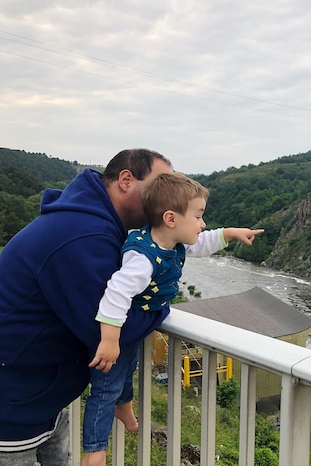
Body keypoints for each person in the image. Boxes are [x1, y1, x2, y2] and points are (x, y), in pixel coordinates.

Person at [0, 148, 175, 466]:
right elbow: (111, 329)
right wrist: (161, 305)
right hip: (12, 409)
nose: (165, 199)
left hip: (40, 398)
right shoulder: (82, 236)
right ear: (125, 180)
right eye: (159, 185)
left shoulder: (90, 221)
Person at [81, 172, 263, 466]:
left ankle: (124, 408)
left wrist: (230, 233)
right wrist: (110, 339)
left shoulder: (173, 242)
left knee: (128, 370)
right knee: (105, 388)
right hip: (118, 328)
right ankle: (94, 451)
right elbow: (116, 292)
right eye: (198, 215)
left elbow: (201, 242)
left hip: (135, 326)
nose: (202, 223)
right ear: (170, 218)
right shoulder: (142, 259)